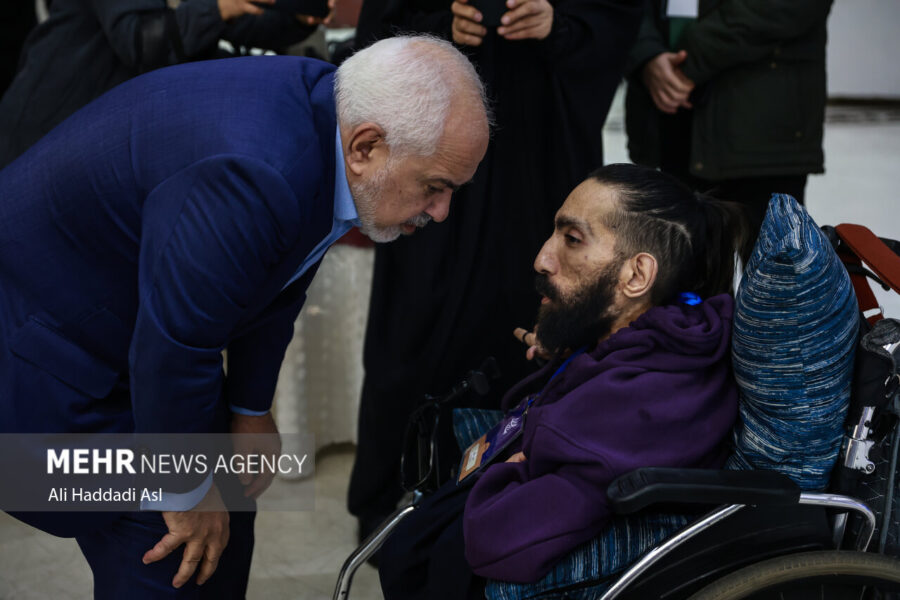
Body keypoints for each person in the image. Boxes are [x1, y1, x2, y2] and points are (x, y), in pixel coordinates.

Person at [0, 36, 489, 598]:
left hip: (136, 331)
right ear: (367, 147)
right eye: (435, 187)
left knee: (228, 509)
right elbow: (174, 347)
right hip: (43, 357)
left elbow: (278, 275)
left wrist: (250, 408)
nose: (442, 212)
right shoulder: (256, 173)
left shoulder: (334, 115)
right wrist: (185, 492)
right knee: (172, 551)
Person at [377, 163, 750, 599]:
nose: (542, 258)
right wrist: (573, 350)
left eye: (572, 240)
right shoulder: (674, 335)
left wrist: (506, 473)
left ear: (636, 275)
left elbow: (498, 540)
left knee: (423, 546)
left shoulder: (634, 406)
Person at [348, 0, 644, 541]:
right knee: (414, 320)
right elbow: (378, 29)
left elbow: (615, 18)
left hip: (539, 151)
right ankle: (391, 492)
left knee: (533, 304)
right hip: (431, 143)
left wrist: (560, 26)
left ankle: (518, 488)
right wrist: (438, 29)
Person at [0, 0, 329, 169]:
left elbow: (226, 24)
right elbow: (142, 40)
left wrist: (295, 19)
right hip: (50, 128)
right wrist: (218, 8)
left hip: (107, 136)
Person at [624, 0, 833, 238]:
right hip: (667, 118)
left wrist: (690, 57)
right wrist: (646, 55)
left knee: (767, 254)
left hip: (760, 128)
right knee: (675, 252)